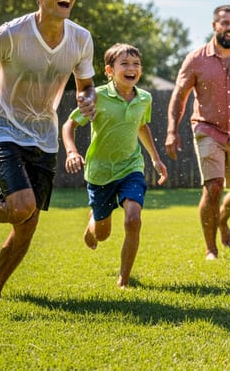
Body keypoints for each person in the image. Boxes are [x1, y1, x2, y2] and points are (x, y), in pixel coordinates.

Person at [0, 0, 96, 297]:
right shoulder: (11, 34)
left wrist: (86, 98)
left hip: (44, 136)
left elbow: (86, 85)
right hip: (4, 126)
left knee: (27, 224)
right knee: (21, 206)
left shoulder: (81, 39)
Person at [62, 44, 168, 288]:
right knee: (102, 234)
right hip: (100, 173)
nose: (132, 69)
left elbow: (141, 126)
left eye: (136, 64)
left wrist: (155, 157)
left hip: (131, 167)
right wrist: (71, 151)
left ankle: (124, 279)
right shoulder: (96, 96)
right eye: (125, 64)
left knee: (133, 219)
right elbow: (69, 124)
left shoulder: (144, 98)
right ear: (109, 70)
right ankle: (93, 222)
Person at [166, 4, 230, 260]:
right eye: (225, 23)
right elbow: (179, 95)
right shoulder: (196, 59)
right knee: (214, 187)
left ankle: (222, 220)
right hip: (207, 128)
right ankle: (211, 249)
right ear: (214, 26)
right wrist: (171, 131)